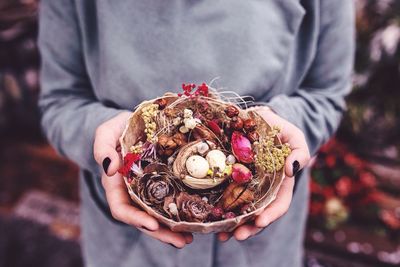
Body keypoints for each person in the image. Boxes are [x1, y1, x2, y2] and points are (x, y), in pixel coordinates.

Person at [38, 0, 354, 266]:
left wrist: (274, 130)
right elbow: (61, 101)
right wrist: (114, 137)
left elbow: (326, 91)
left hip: (258, 245)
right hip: (130, 243)